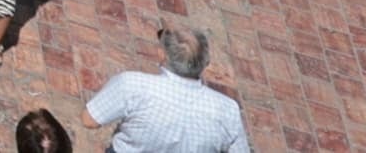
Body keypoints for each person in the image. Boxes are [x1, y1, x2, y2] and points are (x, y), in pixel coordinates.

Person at [90, 25, 255, 153]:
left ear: (163, 55)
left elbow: (89, 119)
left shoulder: (132, 85)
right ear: (205, 64)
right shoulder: (227, 110)